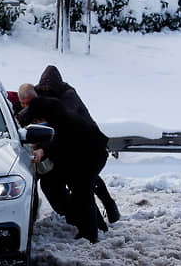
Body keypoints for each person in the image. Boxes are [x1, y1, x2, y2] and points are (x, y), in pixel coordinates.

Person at [25, 66, 120, 224]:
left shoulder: (68, 96)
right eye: (43, 89)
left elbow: (60, 122)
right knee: (82, 183)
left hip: (84, 143)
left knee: (83, 183)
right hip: (66, 143)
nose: (46, 92)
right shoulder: (40, 93)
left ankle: (100, 215)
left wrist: (43, 146)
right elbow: (31, 108)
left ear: (57, 87)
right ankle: (91, 218)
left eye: (49, 90)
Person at [27, 96, 108, 243]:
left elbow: (61, 140)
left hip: (92, 156)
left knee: (82, 192)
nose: (38, 122)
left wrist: (42, 151)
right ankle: (92, 224)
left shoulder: (66, 120)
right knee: (53, 184)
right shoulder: (56, 115)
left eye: (39, 118)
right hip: (76, 156)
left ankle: (90, 234)